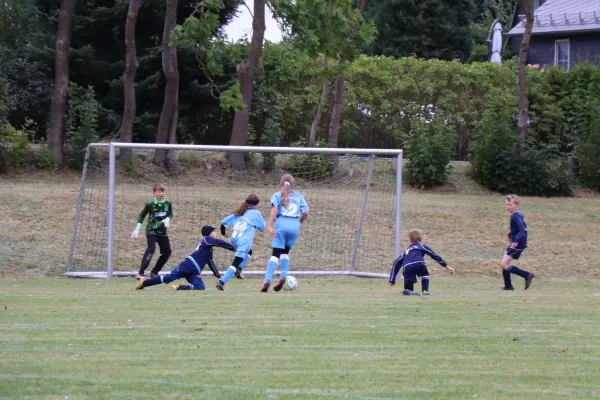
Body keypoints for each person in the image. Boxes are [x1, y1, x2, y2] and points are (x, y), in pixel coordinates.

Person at [135, 225, 234, 291]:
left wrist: (217, 274)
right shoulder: (206, 240)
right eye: (215, 231)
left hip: (194, 271)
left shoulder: (209, 249)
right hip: (188, 265)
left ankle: (179, 287)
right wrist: (232, 248)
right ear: (209, 233)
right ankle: (144, 283)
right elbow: (219, 243)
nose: (216, 233)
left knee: (200, 287)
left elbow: (210, 261)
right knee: (167, 278)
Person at [261, 174, 309, 293]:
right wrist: (299, 223)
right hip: (294, 225)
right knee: (285, 253)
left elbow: (274, 209)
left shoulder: (277, 195)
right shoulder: (299, 196)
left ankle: (267, 280)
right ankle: (283, 276)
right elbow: (306, 213)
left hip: (281, 224)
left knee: (275, 254)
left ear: (280, 184)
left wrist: (269, 225)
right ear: (292, 185)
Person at [215, 194, 266, 291]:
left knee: (249, 252)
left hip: (234, 240)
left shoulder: (239, 212)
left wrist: (223, 233)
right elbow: (262, 228)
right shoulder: (256, 213)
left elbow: (223, 224)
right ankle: (221, 282)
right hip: (244, 241)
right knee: (235, 263)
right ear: (256, 204)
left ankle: (239, 268)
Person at [389, 229, 454, 296]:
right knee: (425, 273)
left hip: (407, 266)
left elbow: (396, 262)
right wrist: (447, 267)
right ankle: (425, 291)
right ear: (421, 239)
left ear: (410, 240)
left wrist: (392, 280)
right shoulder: (422, 246)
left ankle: (408, 291)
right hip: (419, 263)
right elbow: (435, 256)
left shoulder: (406, 251)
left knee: (408, 284)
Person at [131, 183, 173, 279]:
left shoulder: (167, 203)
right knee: (151, 250)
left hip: (162, 232)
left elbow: (170, 214)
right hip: (151, 231)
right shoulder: (150, 204)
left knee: (167, 252)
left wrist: (168, 219)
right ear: (154, 193)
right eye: (159, 191)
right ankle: (140, 273)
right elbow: (142, 215)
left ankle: (154, 272)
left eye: (162, 191)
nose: (161, 193)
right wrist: (137, 229)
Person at [501, 194, 535, 290]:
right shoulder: (517, 214)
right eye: (507, 205)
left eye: (510, 205)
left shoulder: (515, 215)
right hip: (518, 242)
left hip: (518, 244)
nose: (508, 207)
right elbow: (517, 229)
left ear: (516, 205)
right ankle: (508, 286)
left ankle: (527, 275)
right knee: (504, 263)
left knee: (503, 264)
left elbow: (522, 229)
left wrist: (516, 240)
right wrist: (510, 235)